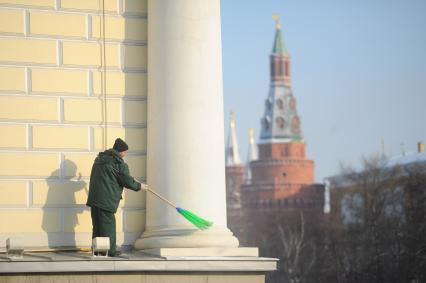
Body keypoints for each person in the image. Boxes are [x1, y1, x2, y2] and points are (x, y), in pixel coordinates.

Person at [86, 138, 144, 256]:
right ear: (121, 151)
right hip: (106, 200)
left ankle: (99, 251)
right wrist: (140, 186)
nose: (126, 154)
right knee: (108, 226)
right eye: (125, 152)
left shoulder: (99, 160)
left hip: (94, 199)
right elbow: (126, 181)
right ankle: (111, 251)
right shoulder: (119, 164)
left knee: (97, 226)